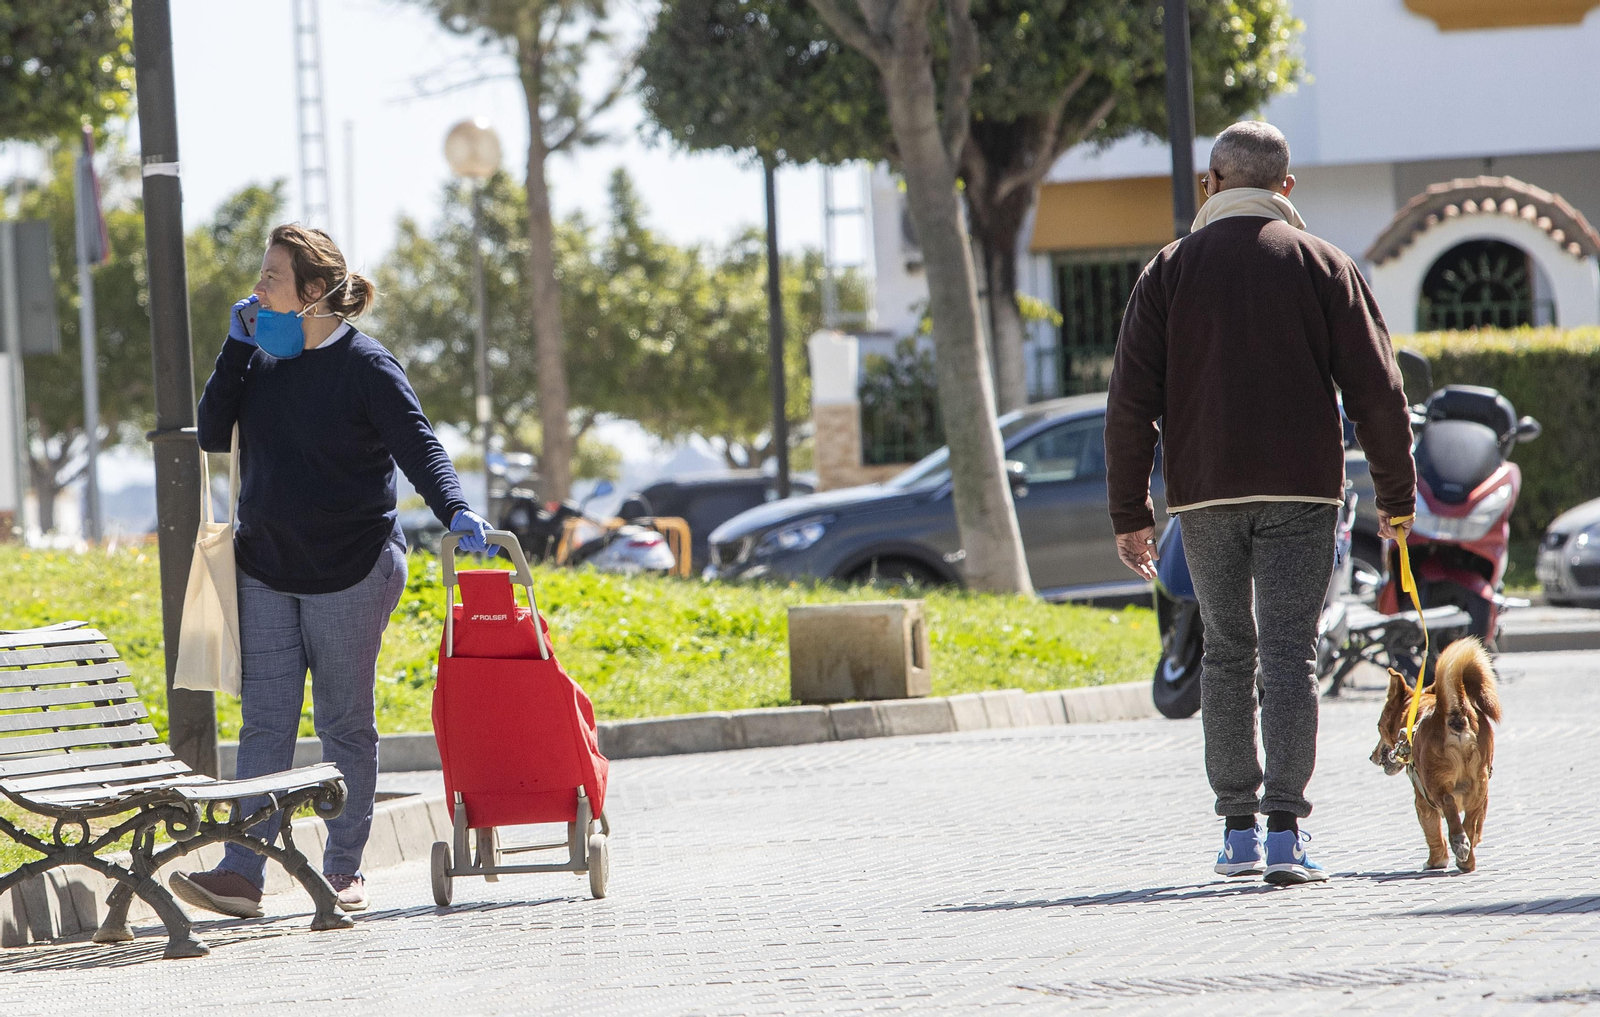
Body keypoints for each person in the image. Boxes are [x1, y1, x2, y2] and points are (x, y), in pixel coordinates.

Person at [1104, 121, 1416, 885]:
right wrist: (1396, 497)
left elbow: (1129, 401)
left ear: (1211, 183)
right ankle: (1285, 833)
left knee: (1226, 653)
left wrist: (1129, 511)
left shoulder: (1169, 269)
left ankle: (1236, 830)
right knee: (1289, 653)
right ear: (1286, 187)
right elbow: (1380, 392)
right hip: (1303, 491)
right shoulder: (1323, 264)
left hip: (1204, 497)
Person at [172, 224, 492, 917]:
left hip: (352, 569)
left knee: (345, 723)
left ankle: (343, 871)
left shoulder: (367, 366)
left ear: (314, 292)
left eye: (271, 278)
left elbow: (420, 448)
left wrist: (457, 510)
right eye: (260, 277)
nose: (256, 290)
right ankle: (242, 872)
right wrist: (233, 346)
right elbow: (210, 429)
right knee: (266, 724)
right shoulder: (259, 362)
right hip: (264, 567)